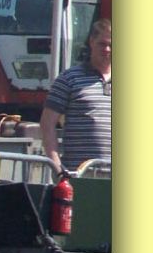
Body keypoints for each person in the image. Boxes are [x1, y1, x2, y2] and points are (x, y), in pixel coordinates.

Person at [40, 18, 112, 174]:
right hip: (79, 176)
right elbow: (47, 124)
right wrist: (57, 167)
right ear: (91, 42)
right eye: (102, 44)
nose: (107, 49)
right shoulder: (69, 79)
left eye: (111, 45)